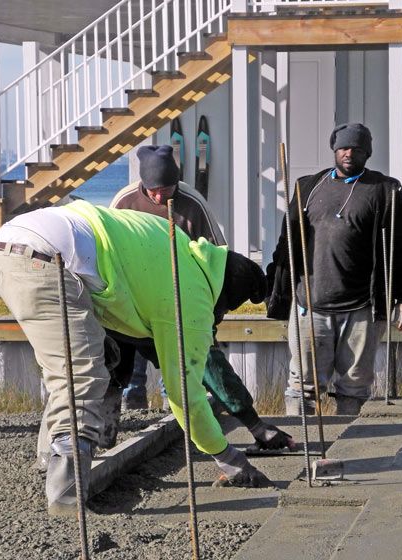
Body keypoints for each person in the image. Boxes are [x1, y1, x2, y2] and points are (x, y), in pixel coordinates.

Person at [0, 199, 273, 517]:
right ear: (224, 297)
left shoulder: (175, 244)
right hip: (46, 259)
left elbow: (127, 317)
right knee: (81, 373)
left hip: (14, 242)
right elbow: (186, 394)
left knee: (81, 359)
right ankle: (65, 498)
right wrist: (229, 458)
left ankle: (49, 458)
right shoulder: (191, 294)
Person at [108, 144, 292, 452]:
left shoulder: (193, 204)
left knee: (188, 368)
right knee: (118, 364)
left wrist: (207, 317)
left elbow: (219, 259)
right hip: (130, 298)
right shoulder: (124, 202)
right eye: (152, 191)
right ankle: (115, 421)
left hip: (181, 300)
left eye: (165, 190)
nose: (158, 197)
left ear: (176, 183)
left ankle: (178, 421)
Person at [265, 123, 402, 416]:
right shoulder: (307, 187)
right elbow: (287, 243)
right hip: (309, 305)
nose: (349, 154)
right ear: (334, 150)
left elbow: (400, 247)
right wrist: (274, 285)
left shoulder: (384, 191)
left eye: (357, 149)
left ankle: (348, 446)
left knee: (354, 385)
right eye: (344, 148)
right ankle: (298, 442)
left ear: (367, 153)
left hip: (362, 307)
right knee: (302, 385)